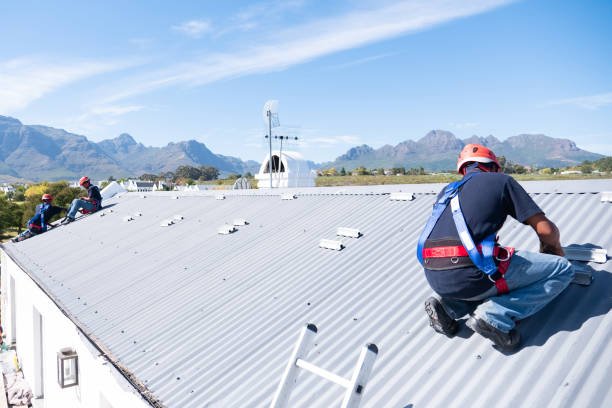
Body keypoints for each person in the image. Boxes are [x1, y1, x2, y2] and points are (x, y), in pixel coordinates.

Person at [416, 144, 574, 351]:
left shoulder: (447, 191)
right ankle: (495, 316)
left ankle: (447, 307)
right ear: (494, 167)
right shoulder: (501, 181)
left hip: (436, 278)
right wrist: (553, 251)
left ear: (463, 170)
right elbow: (546, 231)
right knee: (563, 269)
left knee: (477, 274)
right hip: (471, 276)